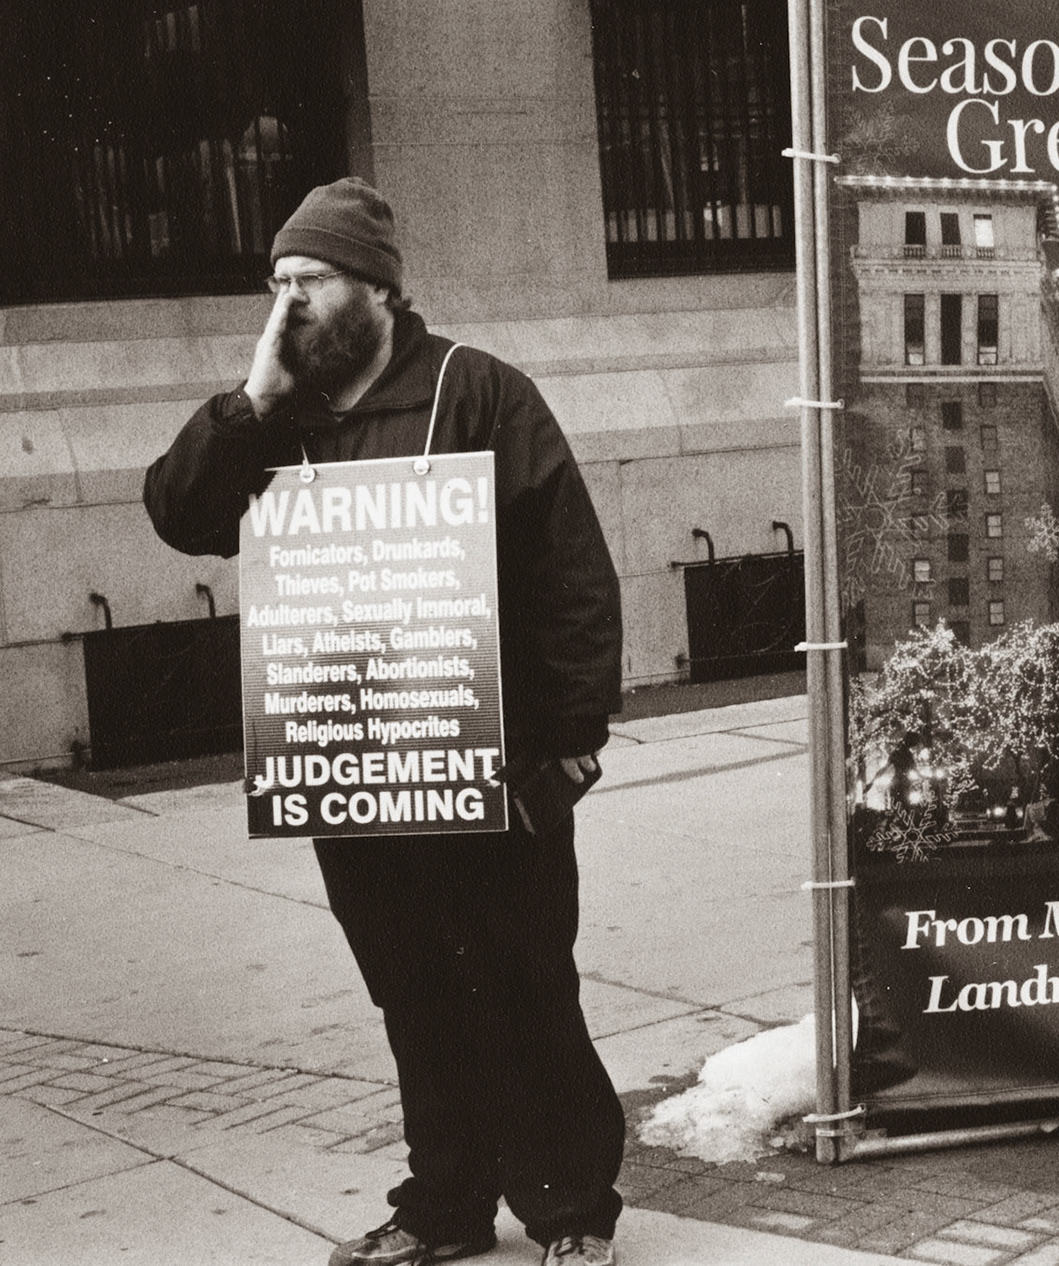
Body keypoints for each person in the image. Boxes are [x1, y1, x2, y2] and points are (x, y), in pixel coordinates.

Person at [144, 178, 626, 1266]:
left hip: (490, 765)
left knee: (523, 982)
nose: (289, 306)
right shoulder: (279, 420)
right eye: (276, 286)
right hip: (355, 766)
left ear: (376, 288)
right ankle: (443, 1208)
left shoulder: (481, 391)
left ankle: (571, 1209)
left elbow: (568, 571)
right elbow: (181, 516)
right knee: (413, 991)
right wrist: (245, 406)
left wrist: (571, 739)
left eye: (310, 281)